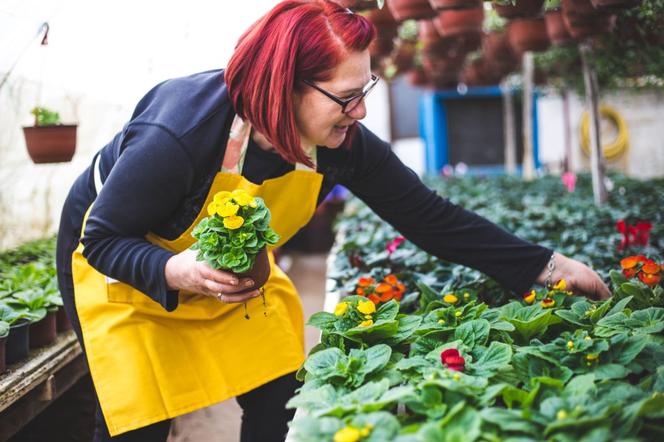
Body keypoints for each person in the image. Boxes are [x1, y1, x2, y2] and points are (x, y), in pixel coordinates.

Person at [55, 1, 611, 441]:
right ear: (285, 86)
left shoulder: (340, 142)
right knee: (142, 420)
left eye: (365, 90)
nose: (361, 111)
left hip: (220, 270)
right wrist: (177, 270)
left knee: (277, 391)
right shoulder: (181, 132)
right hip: (123, 267)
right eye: (348, 96)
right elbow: (102, 238)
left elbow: (429, 217)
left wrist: (547, 265)